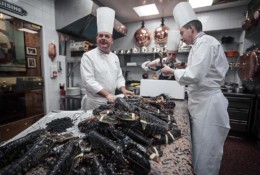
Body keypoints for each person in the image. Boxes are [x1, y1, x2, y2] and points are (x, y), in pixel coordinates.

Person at [161, 2, 230, 175]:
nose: (181, 37)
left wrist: (172, 71)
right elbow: (197, 70)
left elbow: (195, 75)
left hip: (208, 106)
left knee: (206, 154)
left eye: (182, 32)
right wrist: (178, 66)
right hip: (201, 103)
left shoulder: (205, 43)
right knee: (199, 149)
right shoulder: (199, 45)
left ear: (191, 28)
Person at [80, 7, 133, 110]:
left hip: (112, 100)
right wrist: (107, 95)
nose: (103, 38)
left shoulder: (115, 57)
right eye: (100, 36)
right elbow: (88, 81)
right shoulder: (88, 56)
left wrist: (123, 89)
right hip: (95, 102)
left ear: (112, 41)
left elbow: (119, 77)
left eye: (107, 36)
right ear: (97, 39)